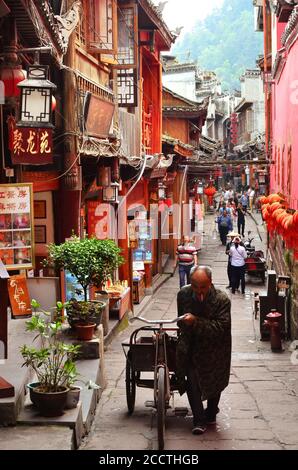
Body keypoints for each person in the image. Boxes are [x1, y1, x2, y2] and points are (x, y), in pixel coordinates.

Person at [176, 266, 232, 435]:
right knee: (192, 379)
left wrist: (196, 322)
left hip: (216, 348)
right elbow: (180, 321)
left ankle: (211, 411)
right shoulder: (183, 295)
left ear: (210, 283)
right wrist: (185, 323)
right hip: (192, 346)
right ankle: (198, 420)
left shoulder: (222, 300)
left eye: (203, 287)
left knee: (215, 381)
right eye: (195, 286)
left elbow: (221, 327)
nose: (199, 291)